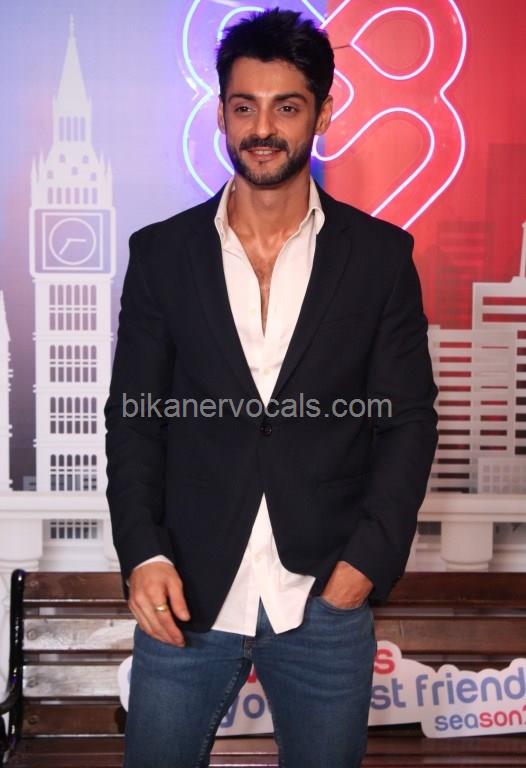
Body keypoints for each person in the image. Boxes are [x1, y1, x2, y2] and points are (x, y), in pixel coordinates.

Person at [104, 8, 438, 768]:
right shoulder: (160, 254)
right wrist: (143, 554)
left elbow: (408, 421)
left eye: (286, 107)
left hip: (325, 597)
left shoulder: (380, 257)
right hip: (186, 594)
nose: (262, 128)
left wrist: (365, 564)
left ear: (323, 111)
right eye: (244, 106)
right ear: (221, 113)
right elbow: (134, 419)